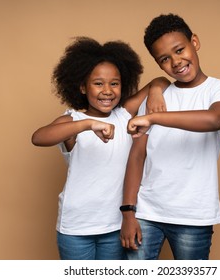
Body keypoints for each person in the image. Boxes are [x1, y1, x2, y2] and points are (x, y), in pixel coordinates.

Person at [31, 36, 169, 260]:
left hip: (115, 226)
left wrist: (155, 92)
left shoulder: (123, 114)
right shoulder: (73, 120)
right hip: (76, 227)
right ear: (83, 87)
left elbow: (161, 80)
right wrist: (87, 124)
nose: (107, 90)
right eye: (98, 83)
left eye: (114, 83)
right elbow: (39, 137)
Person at [120, 14, 220, 260]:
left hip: (194, 215)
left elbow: (213, 119)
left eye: (179, 50)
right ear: (158, 63)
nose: (175, 62)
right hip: (147, 212)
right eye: (164, 59)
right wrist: (128, 213)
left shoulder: (219, 88)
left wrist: (153, 118)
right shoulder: (157, 96)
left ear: (194, 42)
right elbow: (137, 156)